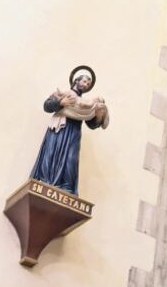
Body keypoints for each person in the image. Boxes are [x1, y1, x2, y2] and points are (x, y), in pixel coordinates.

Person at [29, 65, 110, 195]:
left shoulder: (85, 104)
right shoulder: (63, 94)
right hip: (58, 130)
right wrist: (61, 103)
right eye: (84, 81)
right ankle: (44, 181)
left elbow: (91, 123)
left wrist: (99, 115)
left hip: (73, 132)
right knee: (52, 153)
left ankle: (66, 189)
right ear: (76, 81)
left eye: (88, 83)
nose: (86, 84)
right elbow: (47, 106)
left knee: (70, 159)